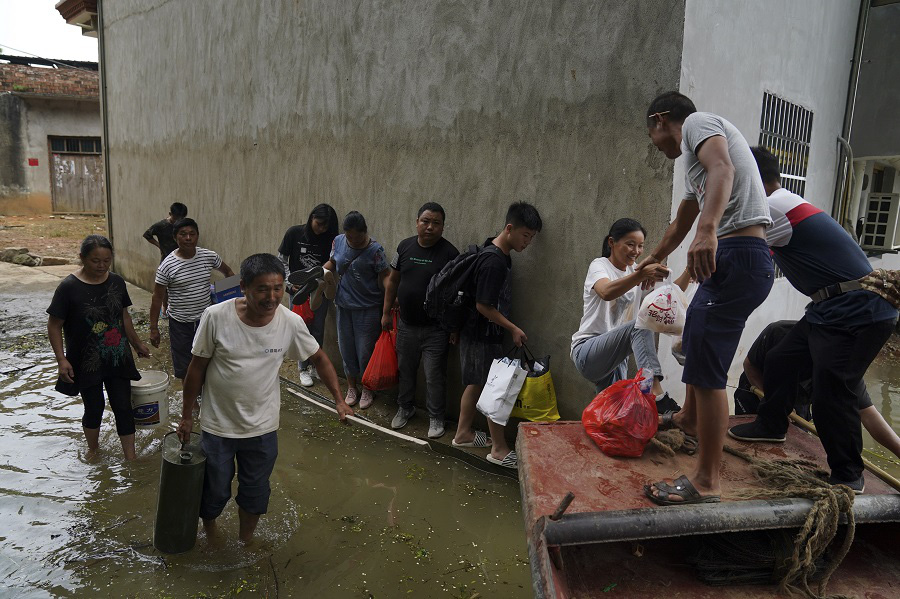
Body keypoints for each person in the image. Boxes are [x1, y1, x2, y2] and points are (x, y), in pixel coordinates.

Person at [727, 147, 899, 492]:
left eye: (734, 179)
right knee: (782, 357)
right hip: (829, 309)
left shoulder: (773, 208)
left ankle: (849, 475)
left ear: (751, 179)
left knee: (832, 393)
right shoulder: (781, 205)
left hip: (857, 309)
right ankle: (772, 426)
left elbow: (732, 249)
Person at [642, 92, 774, 505]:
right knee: (696, 341)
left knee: (709, 370)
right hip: (735, 260)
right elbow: (682, 220)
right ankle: (688, 418)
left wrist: (709, 228)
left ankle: (706, 481)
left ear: (661, 119)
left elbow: (724, 167)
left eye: (653, 133)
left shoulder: (699, 124)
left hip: (738, 254)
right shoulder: (690, 164)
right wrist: (654, 258)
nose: (656, 144)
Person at [176, 253, 353, 544]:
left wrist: (339, 400)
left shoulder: (290, 321)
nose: (272, 297)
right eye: (262, 289)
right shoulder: (216, 316)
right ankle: (211, 534)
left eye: (278, 288)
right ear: (244, 286)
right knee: (215, 489)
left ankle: (245, 541)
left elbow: (319, 357)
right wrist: (186, 416)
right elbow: (196, 369)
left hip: (262, 429)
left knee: (256, 490)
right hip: (218, 426)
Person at [451, 201, 542, 470]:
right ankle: (499, 449)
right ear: (509, 228)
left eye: (532, 237)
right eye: (526, 235)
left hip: (476, 332)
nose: (528, 242)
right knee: (495, 388)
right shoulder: (494, 262)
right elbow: (483, 305)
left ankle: (463, 434)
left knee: (477, 383)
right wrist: (512, 328)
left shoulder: (494, 251)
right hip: (482, 333)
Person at [733, 320, 900, 461]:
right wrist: (771, 400)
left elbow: (869, 416)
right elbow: (750, 365)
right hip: (758, 392)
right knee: (750, 449)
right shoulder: (780, 333)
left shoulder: (845, 367)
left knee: (793, 442)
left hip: (799, 400)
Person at [47, 235, 151, 461]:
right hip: (86, 359)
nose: (102, 266)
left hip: (117, 356)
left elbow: (123, 316)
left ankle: (130, 458)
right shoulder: (68, 287)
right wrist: (61, 359)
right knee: (94, 407)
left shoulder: (116, 282)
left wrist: (136, 343)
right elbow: (54, 325)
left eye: (107, 260)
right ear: (82, 258)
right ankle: (93, 450)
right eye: (95, 261)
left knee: (123, 406)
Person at [571, 218, 685, 414]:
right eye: (630, 244)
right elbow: (606, 291)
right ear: (611, 242)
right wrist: (640, 276)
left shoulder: (636, 271)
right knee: (638, 325)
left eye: (640, 246)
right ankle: (656, 396)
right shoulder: (599, 266)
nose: (636, 251)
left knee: (615, 416)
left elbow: (668, 299)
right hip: (587, 352)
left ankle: (645, 406)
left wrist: (690, 271)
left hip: (615, 359)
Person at [382, 202, 460, 438]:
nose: (430, 227)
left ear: (443, 227)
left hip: (436, 329)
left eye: (436, 223)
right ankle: (405, 408)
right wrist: (386, 312)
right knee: (406, 370)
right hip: (405, 325)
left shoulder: (450, 254)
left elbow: (457, 294)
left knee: (434, 375)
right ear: (417, 222)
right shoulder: (404, 247)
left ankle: (436, 418)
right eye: (425, 221)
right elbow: (393, 281)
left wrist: (454, 327)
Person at [149, 218, 234, 382]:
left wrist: (230, 301)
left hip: (206, 320)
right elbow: (157, 297)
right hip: (180, 323)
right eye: (183, 234)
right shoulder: (167, 265)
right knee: (184, 365)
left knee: (208, 359)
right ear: (175, 238)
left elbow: (228, 273)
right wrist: (153, 328)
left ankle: (206, 395)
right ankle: (192, 404)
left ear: (197, 236)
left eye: (192, 234)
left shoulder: (209, 256)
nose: (188, 238)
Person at [323, 211, 389, 410]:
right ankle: (352, 387)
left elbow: (386, 276)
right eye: (349, 236)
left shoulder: (375, 250)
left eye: (357, 237)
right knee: (346, 349)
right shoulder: (339, 241)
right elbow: (333, 263)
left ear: (364, 232)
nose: (352, 241)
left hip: (367, 308)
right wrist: (321, 273)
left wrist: (392, 298)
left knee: (365, 351)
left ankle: (368, 388)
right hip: (343, 305)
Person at [277, 203, 339, 387]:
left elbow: (333, 261)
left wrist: (321, 274)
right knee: (301, 328)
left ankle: (315, 366)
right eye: (319, 224)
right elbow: (281, 259)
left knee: (318, 328)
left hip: (319, 288)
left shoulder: (331, 239)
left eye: (325, 226)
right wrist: (289, 282)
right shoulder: (294, 233)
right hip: (298, 290)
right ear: (311, 218)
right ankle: (302, 368)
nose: (321, 229)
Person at [143, 202, 188, 315]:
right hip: (166, 258)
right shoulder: (161, 226)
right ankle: (164, 306)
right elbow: (147, 235)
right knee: (164, 284)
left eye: (181, 218)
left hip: (182, 258)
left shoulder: (183, 225)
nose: (178, 221)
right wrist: (159, 245)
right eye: (176, 218)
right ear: (170, 214)